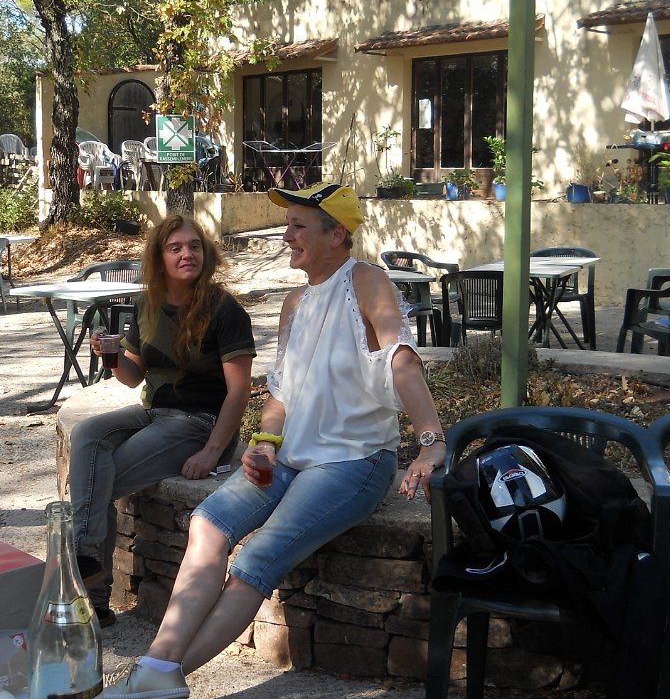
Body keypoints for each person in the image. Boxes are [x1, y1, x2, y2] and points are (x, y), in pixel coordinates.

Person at [104, 183, 445, 698]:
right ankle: (156, 669)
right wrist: (264, 442)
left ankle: (158, 680)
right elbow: (281, 394)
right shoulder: (294, 302)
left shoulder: (366, 281)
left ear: (337, 234)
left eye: (298, 226)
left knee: (255, 561)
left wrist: (431, 441)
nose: (287, 236)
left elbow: (400, 358)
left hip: (352, 462)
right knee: (206, 524)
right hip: (287, 457)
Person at [68, 214, 255, 627]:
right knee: (87, 434)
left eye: (194, 246)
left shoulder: (224, 309)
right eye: (176, 248)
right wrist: (110, 357)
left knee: (98, 480)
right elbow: (134, 376)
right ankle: (88, 572)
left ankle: (87, 587)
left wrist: (211, 452)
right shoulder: (147, 305)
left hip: (200, 423)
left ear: (206, 254)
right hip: (155, 412)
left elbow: (239, 391)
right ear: (159, 258)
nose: (187, 254)